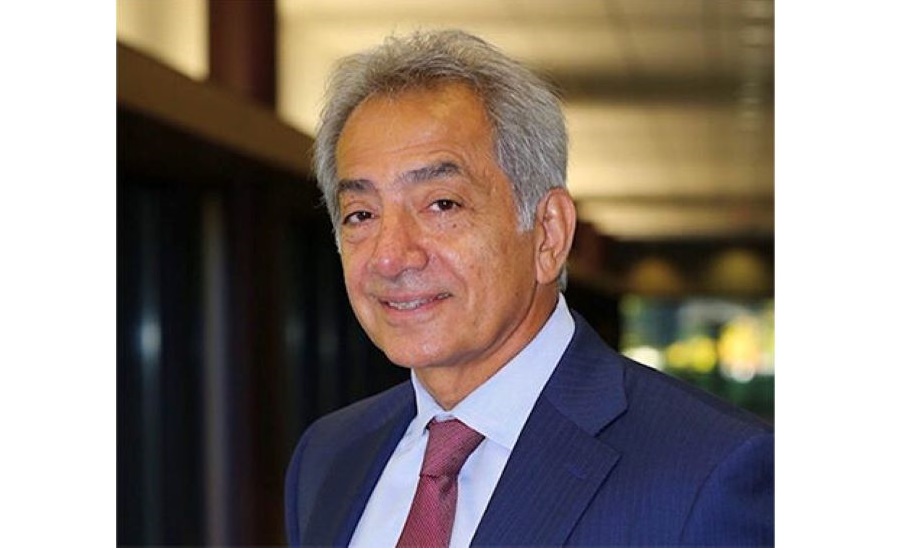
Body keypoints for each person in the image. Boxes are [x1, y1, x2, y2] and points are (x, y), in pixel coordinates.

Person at [284, 29, 773, 548]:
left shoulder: (711, 471)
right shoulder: (329, 457)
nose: (390, 256)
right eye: (361, 214)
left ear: (548, 233)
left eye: (442, 205)